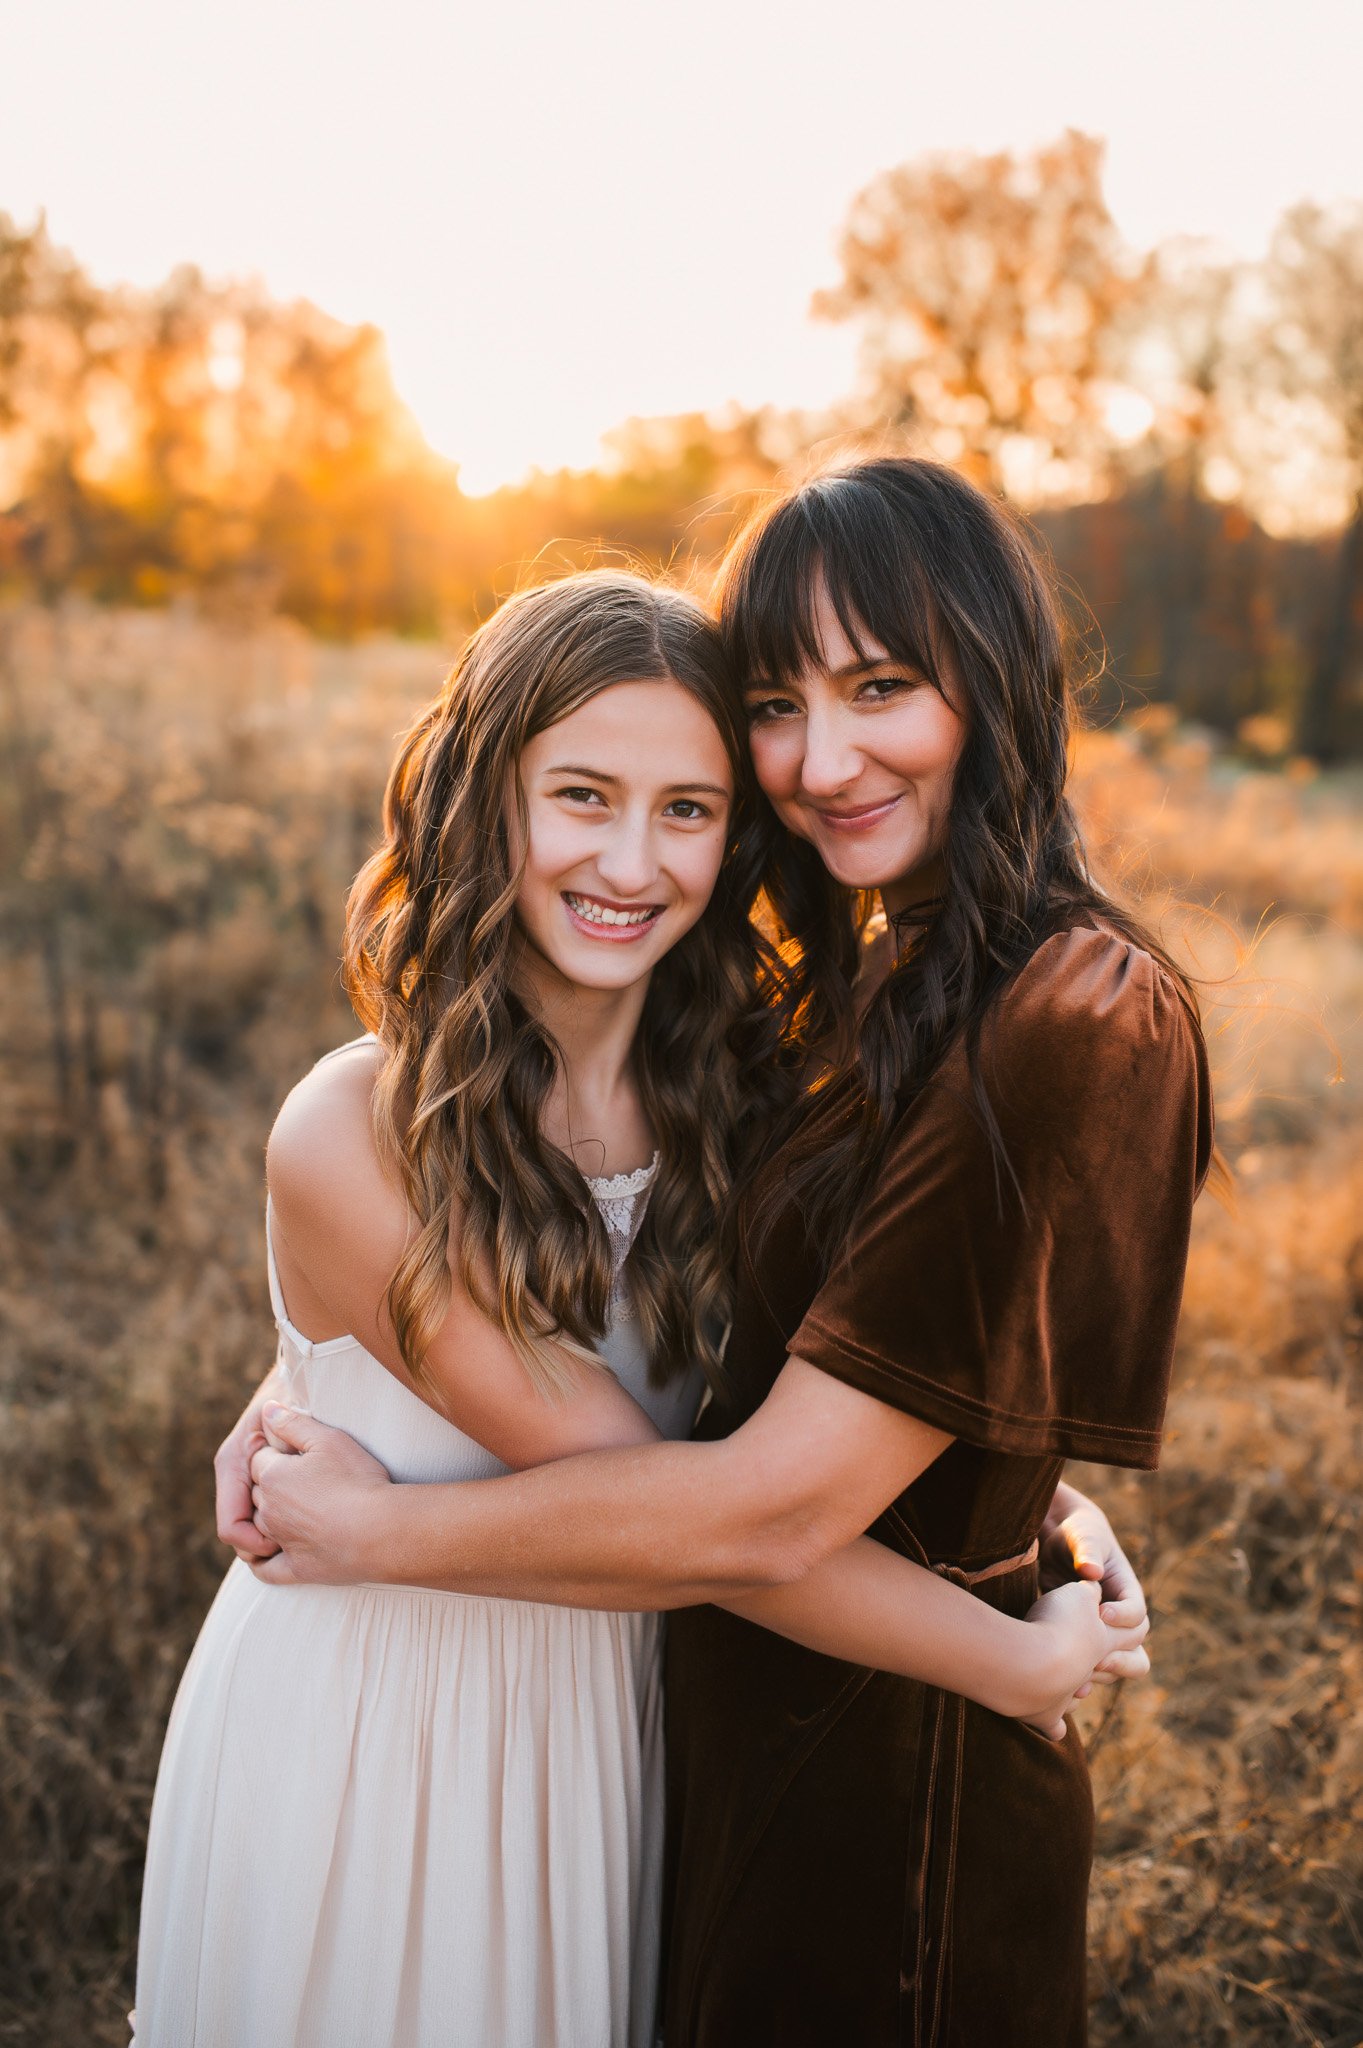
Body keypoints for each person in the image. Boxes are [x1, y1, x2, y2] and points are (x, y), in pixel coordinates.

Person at [244, 460, 1211, 2046]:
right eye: (777, 705)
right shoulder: (824, 1018)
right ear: (485, 795)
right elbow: (770, 1359)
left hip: (881, 1768)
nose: (823, 761)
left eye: (883, 687)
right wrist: (314, 1369)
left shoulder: (1069, 1007)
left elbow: (762, 1498)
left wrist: (378, 1526)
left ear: (994, 678)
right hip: (649, 1731)